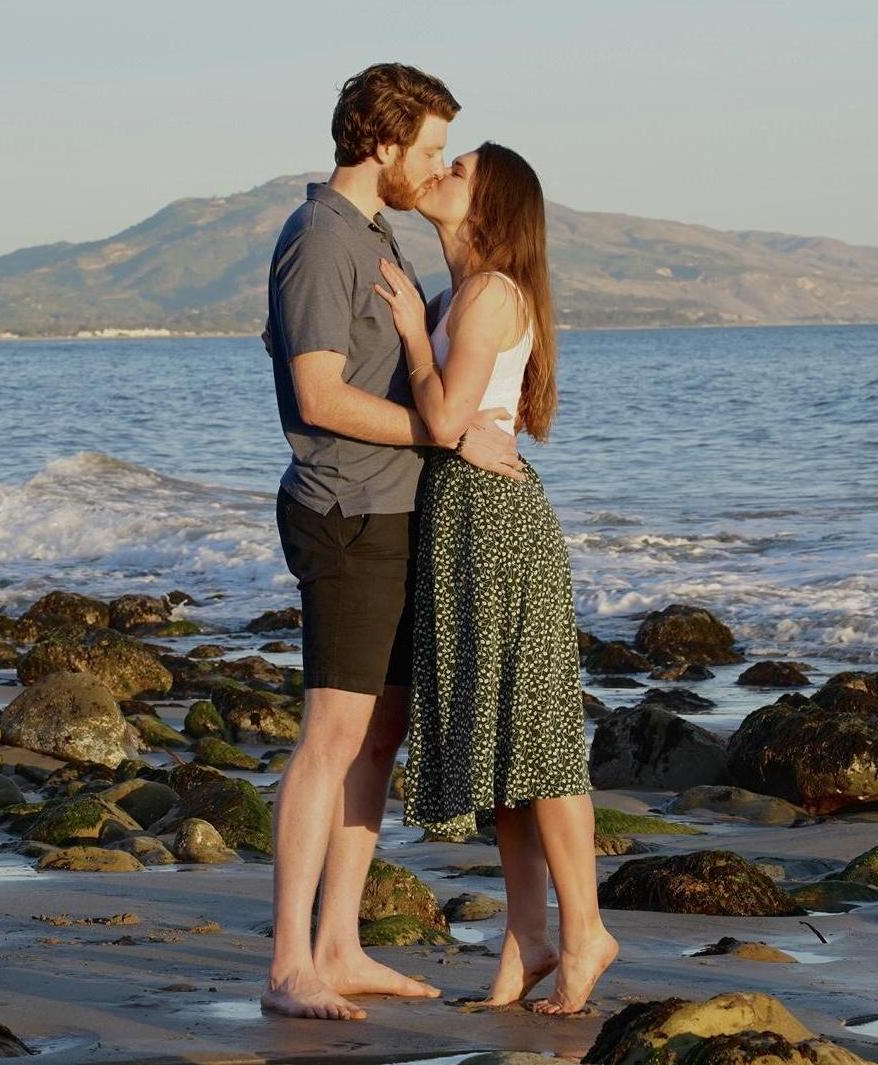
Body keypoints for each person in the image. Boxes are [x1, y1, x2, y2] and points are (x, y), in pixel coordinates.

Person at [261, 64, 526, 1022]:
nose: (438, 165)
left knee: (379, 735)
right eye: (427, 148)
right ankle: (290, 962)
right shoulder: (321, 240)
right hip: (346, 514)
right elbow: (320, 395)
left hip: (399, 512)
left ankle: (340, 942)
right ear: (381, 146)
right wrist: (447, 429)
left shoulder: (374, 235)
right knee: (329, 736)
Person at [373, 142, 620, 1015]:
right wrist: (452, 421)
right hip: (463, 525)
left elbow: (444, 416)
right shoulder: (457, 293)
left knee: (540, 741)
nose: (442, 171)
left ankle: (585, 928)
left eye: (462, 168)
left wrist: (413, 341)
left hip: (495, 527)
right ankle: (528, 940)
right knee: (506, 751)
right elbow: (448, 422)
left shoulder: (485, 294)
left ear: (491, 203)